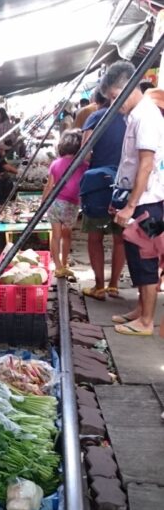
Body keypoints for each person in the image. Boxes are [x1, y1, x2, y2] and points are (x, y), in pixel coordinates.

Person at [101, 61, 164, 336]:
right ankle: (140, 310)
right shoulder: (136, 114)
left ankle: (147, 321)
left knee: (145, 257)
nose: (115, 104)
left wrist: (130, 206)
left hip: (146, 203)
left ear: (130, 86)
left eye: (115, 97)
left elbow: (145, 165)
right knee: (138, 259)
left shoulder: (145, 116)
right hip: (141, 200)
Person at [80, 93, 127, 300]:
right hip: (125, 185)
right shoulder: (130, 118)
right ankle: (114, 285)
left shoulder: (96, 117)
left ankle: (99, 286)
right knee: (120, 239)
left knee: (95, 237)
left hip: (99, 184)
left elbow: (85, 152)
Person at [42, 129, 89, 278]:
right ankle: (64, 262)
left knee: (55, 235)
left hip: (55, 203)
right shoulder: (83, 165)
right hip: (71, 205)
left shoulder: (55, 164)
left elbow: (49, 186)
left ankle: (58, 266)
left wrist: (43, 203)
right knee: (66, 235)